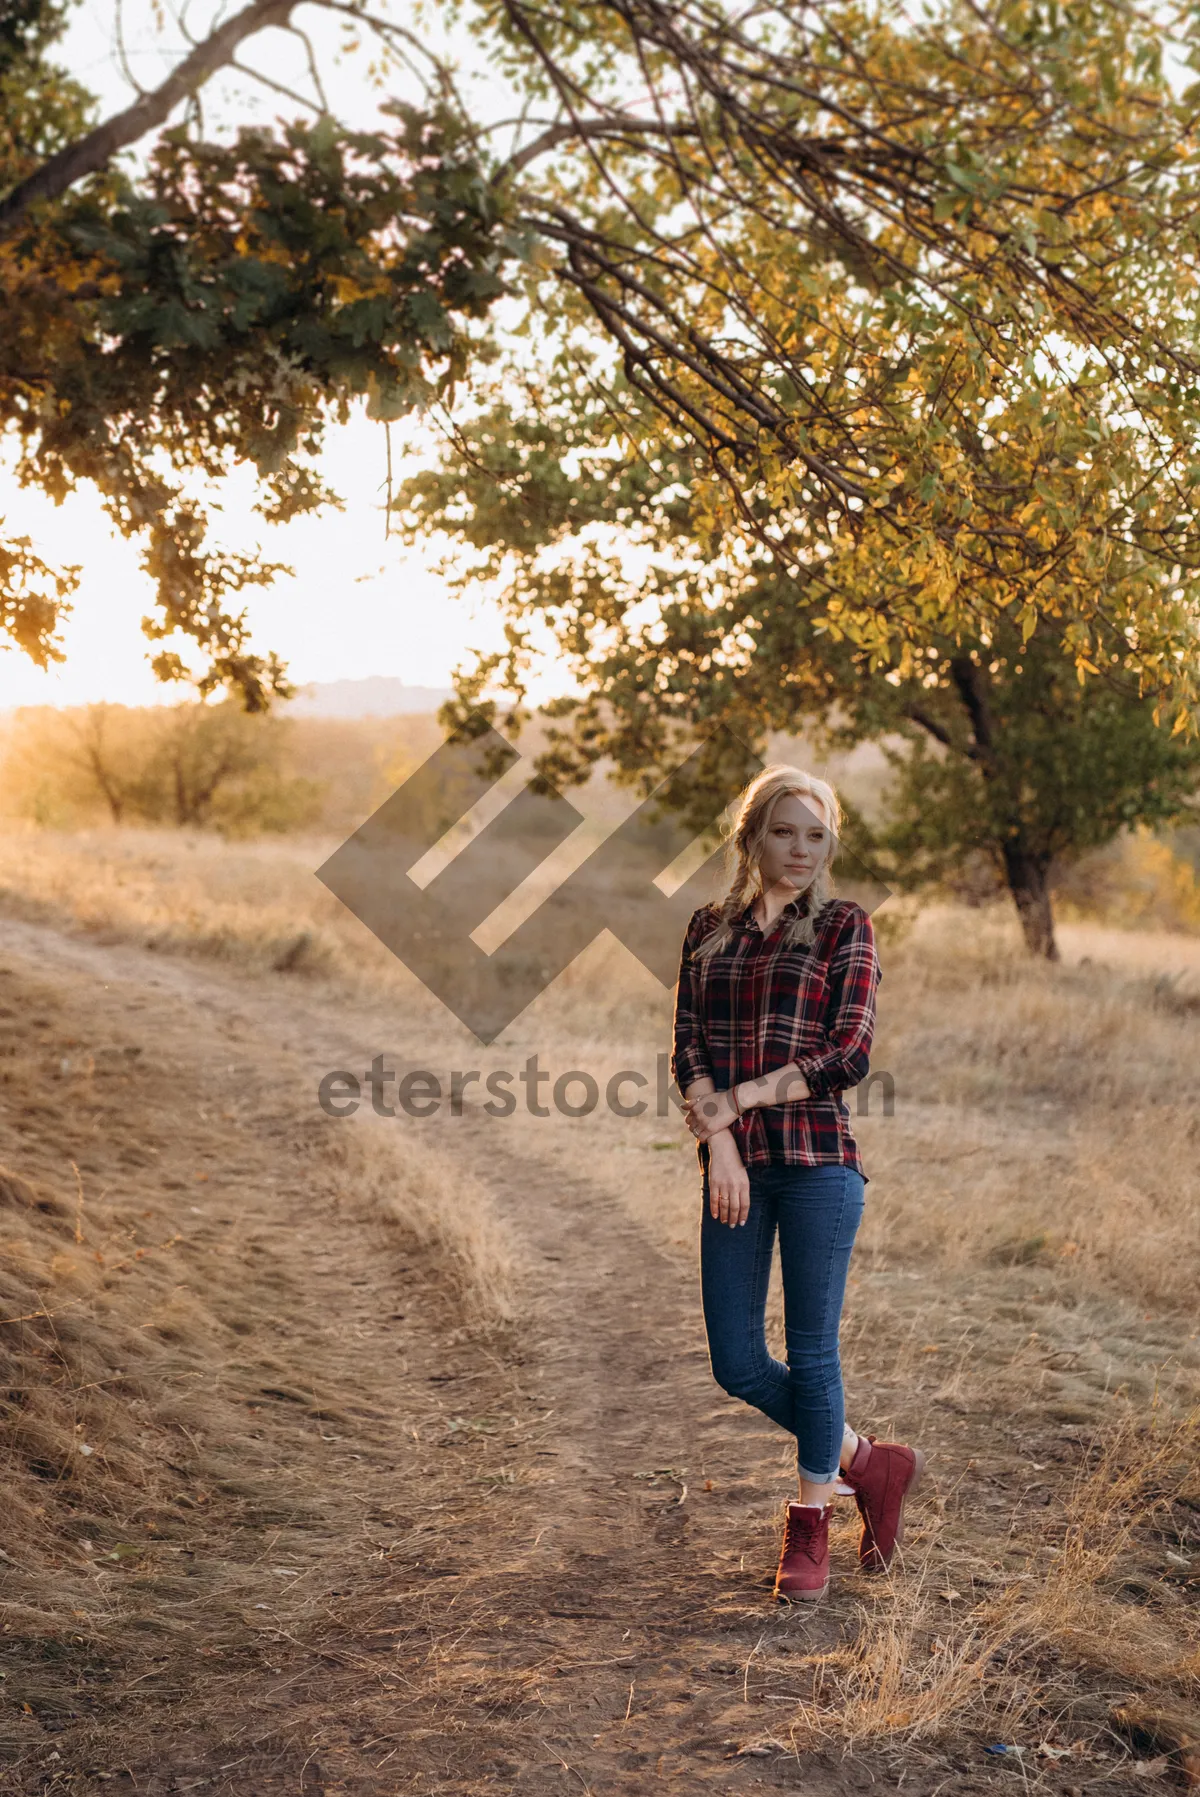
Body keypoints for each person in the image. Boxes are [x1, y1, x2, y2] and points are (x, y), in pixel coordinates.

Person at [671, 763, 925, 1601]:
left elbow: (847, 1054)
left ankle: (812, 1517)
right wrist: (727, 1148)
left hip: (819, 1166)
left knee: (814, 1352)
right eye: (785, 830)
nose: (801, 849)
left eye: (817, 835)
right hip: (739, 1173)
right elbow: (691, 1051)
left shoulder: (846, 926)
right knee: (737, 1361)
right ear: (752, 835)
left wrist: (740, 1101)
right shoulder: (709, 928)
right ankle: (868, 1463)